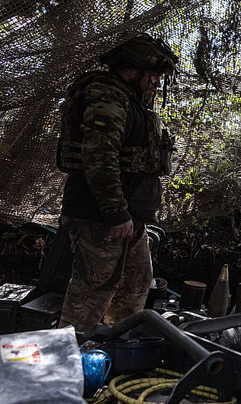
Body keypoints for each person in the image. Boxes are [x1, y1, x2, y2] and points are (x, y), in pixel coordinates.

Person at [56, 33, 178, 332]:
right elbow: (99, 156)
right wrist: (116, 213)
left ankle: (115, 351)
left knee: (135, 285)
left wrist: (127, 216)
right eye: (154, 75)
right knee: (90, 294)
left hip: (128, 218)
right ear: (132, 69)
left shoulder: (129, 101)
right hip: (101, 218)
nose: (156, 84)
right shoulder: (107, 95)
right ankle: (67, 359)